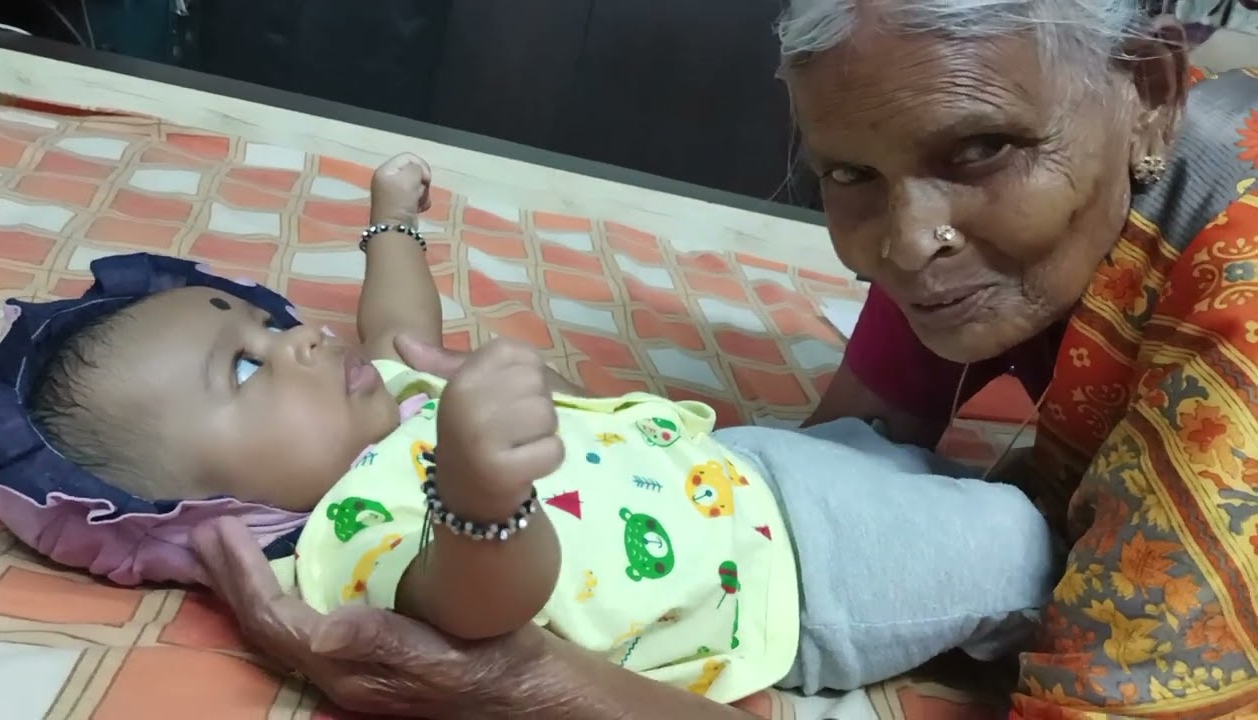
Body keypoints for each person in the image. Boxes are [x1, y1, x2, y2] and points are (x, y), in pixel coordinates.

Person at [189, 1, 1258, 718]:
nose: (903, 244)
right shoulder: (943, 241)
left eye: (980, 150)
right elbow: (850, 453)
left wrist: (532, 687)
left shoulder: (1236, 325)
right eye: (846, 175)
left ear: (1152, 92)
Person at [0, 151, 1055, 707]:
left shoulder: (381, 398)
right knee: (1024, 541)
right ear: (202, 506)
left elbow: (398, 326)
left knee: (935, 458)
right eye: (248, 366)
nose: (297, 337)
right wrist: (475, 495)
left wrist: (390, 219)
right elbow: (472, 607)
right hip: (804, 579)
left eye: (265, 318)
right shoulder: (346, 537)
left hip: (757, 465)